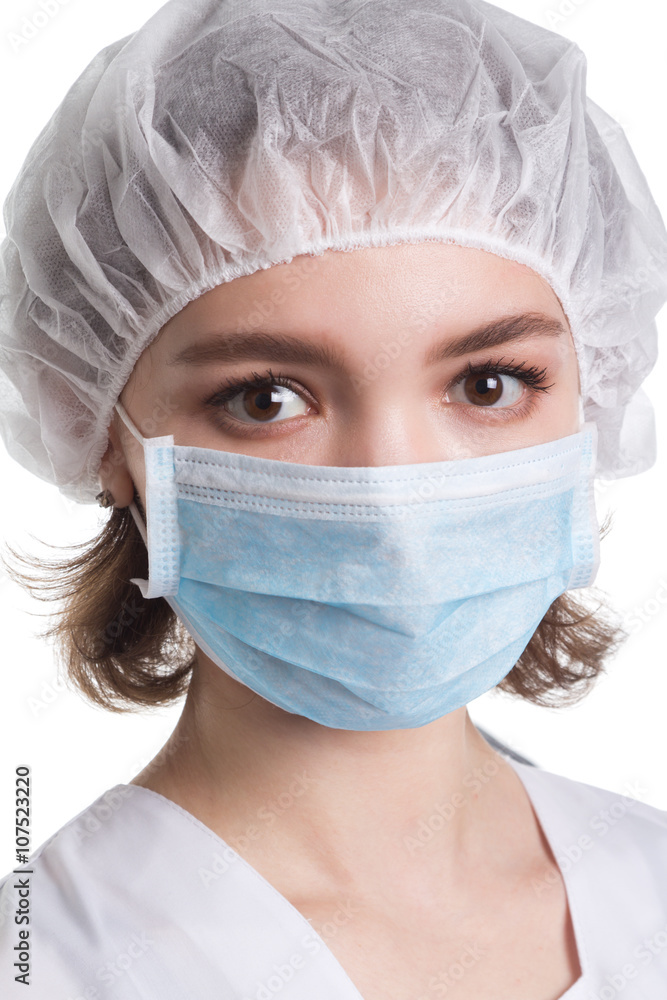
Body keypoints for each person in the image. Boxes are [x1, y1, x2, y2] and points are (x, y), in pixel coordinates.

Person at [0, 0, 666, 997]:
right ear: (97, 428)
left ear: (593, 398)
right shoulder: (47, 962)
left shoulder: (650, 884)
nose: (392, 496)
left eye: (488, 383)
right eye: (265, 398)